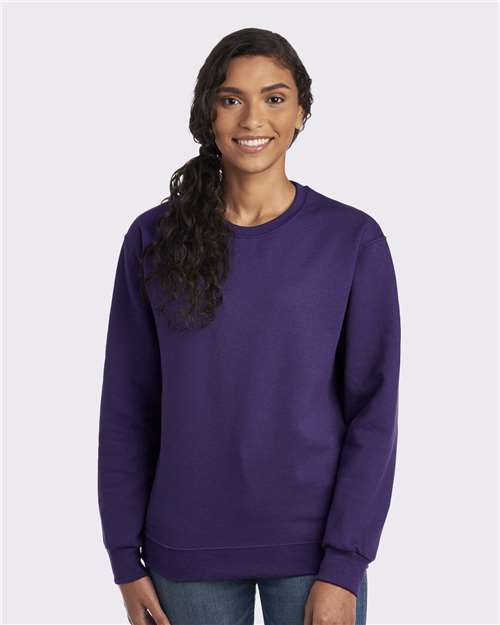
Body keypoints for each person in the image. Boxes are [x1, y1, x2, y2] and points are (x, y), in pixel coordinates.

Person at [97, 27, 400, 625]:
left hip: (314, 553)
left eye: (274, 98)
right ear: (207, 112)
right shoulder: (152, 238)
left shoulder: (351, 239)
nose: (252, 118)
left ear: (301, 113)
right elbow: (127, 404)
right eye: (231, 98)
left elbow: (374, 412)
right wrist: (124, 559)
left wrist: (345, 565)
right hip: (185, 549)